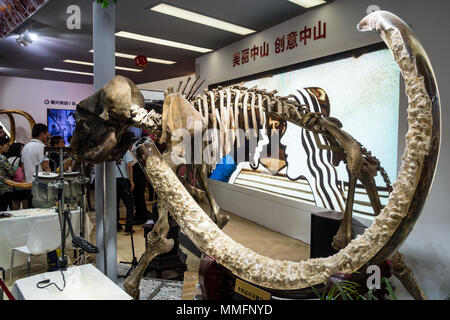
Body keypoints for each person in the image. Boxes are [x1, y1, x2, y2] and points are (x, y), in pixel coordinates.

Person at [22, 123, 51, 206]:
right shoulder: (42, 147)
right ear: (42, 134)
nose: (48, 136)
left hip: (28, 185)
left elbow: (23, 167)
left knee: (31, 208)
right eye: (47, 133)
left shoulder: (25, 147)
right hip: (40, 186)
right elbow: (45, 167)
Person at [116, 148, 135, 234]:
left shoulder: (111, 151)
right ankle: (128, 228)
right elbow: (129, 165)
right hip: (124, 180)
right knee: (130, 205)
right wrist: (131, 180)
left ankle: (116, 226)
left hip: (113, 181)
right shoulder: (125, 151)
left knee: (115, 205)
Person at [7, 142, 28, 210]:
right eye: (22, 149)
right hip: (21, 183)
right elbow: (23, 170)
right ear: (18, 149)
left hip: (12, 184)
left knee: (15, 204)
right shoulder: (20, 159)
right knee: (24, 203)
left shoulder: (8, 159)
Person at [0, 137, 15, 211]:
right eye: (7, 145)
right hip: (3, 189)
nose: (8, 147)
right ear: (0, 146)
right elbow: (11, 172)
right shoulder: (2, 158)